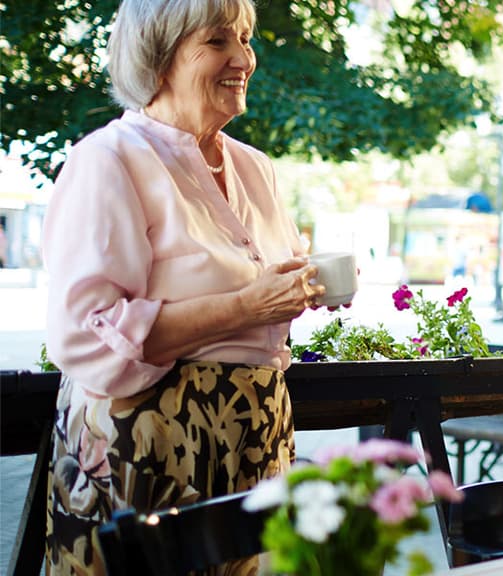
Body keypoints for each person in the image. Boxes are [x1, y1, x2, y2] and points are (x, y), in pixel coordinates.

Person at [42, 0, 320, 572]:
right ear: (160, 54)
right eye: (218, 40)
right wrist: (247, 305)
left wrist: (302, 286)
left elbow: (271, 283)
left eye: (245, 39)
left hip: (254, 433)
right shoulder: (107, 160)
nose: (244, 58)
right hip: (148, 441)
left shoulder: (255, 167)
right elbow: (87, 336)